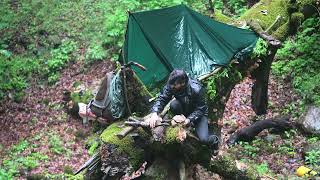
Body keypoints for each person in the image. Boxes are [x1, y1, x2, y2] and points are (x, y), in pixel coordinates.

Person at [147, 69, 219, 148]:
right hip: (184, 108)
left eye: (174, 85)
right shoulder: (172, 85)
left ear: (182, 83)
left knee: (204, 139)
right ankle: (185, 127)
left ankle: (215, 141)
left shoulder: (196, 89)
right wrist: (155, 113)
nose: (172, 86)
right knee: (174, 105)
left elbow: (201, 109)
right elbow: (162, 98)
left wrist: (188, 120)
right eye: (171, 84)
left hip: (199, 114)